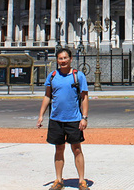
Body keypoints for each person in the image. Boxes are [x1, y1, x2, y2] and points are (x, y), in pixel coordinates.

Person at [37, 48, 90, 190]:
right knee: (58, 149)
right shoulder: (52, 76)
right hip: (56, 119)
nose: (63, 61)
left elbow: (84, 97)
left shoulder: (78, 76)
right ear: (57, 60)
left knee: (77, 149)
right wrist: (41, 115)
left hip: (73, 119)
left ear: (71, 59)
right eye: (60, 58)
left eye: (65, 58)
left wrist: (84, 118)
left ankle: (81, 181)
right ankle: (59, 180)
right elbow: (47, 96)